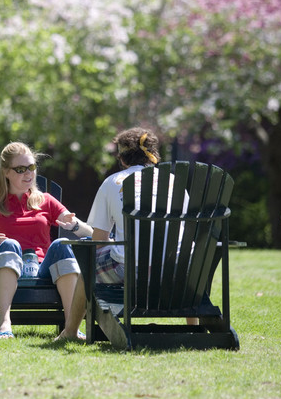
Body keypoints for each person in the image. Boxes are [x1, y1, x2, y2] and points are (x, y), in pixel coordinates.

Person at [55, 127, 194, 341]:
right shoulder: (173, 182)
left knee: (87, 264)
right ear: (153, 153)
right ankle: (193, 327)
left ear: (122, 158)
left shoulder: (113, 182)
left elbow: (98, 241)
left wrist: (116, 243)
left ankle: (71, 332)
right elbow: (186, 228)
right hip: (176, 272)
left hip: (129, 272)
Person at [0, 142, 93, 339]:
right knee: (10, 243)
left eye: (31, 167)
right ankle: (5, 323)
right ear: (6, 172)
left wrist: (73, 226)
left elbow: (89, 232)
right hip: (9, 268)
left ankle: (70, 328)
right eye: (20, 169)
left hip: (44, 269)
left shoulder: (46, 200)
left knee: (60, 245)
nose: (28, 173)